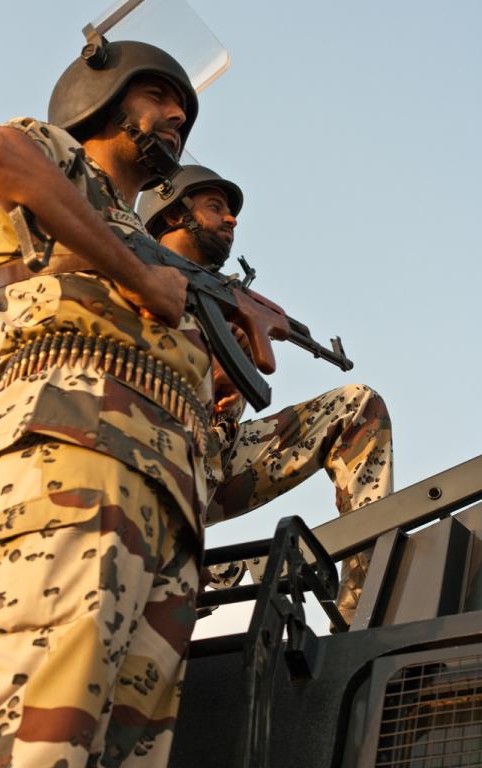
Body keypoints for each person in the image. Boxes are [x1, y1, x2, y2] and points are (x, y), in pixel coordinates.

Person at [0, 40, 212, 767]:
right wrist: (138, 276)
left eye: (186, 111)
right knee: (39, 727)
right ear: (99, 99)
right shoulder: (57, 157)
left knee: (120, 748)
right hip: (75, 445)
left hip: (166, 496)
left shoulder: (147, 239)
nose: (176, 116)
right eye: (159, 96)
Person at [138, 165, 394, 623]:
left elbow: (238, 393)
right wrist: (213, 352)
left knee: (357, 404)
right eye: (215, 207)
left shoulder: (224, 298)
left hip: (219, 454)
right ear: (175, 215)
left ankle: (367, 603)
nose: (231, 219)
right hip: (151, 451)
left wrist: (241, 334)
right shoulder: (134, 272)